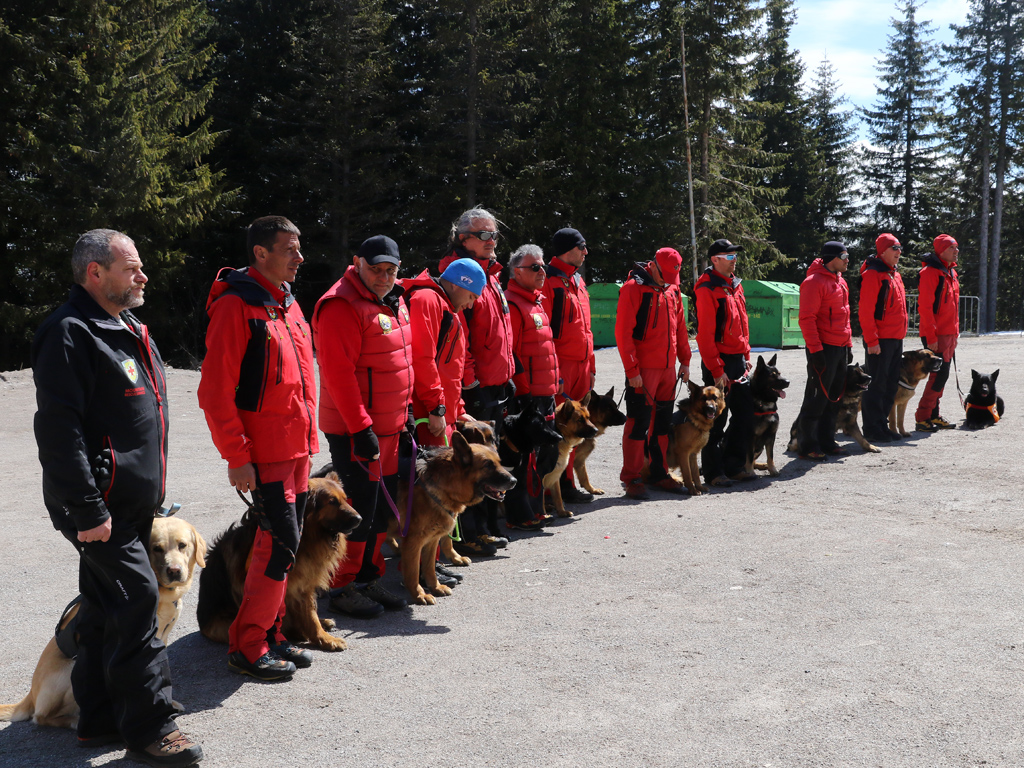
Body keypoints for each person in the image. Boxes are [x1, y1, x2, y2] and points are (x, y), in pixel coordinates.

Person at [32, 229, 203, 765]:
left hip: (131, 503)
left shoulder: (126, 326)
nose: (143, 276)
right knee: (137, 605)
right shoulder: (69, 332)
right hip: (98, 507)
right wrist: (87, 509)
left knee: (106, 610)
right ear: (95, 273)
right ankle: (152, 726)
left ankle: (98, 719)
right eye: (131, 268)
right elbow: (59, 432)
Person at [197, 216, 317, 681]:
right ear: (261, 253)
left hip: (298, 451)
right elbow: (214, 392)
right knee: (276, 548)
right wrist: (237, 455)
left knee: (286, 546)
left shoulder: (285, 302)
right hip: (265, 455)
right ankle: (248, 646)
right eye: (290, 249)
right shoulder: (236, 306)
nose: (300, 257)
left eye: (299, 247)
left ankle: (271, 633)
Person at [313, 235, 414, 618]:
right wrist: (360, 428)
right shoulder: (341, 304)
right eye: (376, 269)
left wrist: (404, 416)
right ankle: (342, 586)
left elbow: (398, 364)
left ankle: (369, 575)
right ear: (357, 262)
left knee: (381, 509)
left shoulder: (392, 299)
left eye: (391, 270)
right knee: (358, 511)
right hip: (358, 430)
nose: (384, 277)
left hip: (389, 427)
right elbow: (339, 375)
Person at [438, 208, 515, 556]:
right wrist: (471, 384)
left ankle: (488, 526)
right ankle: (471, 533)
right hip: (475, 389)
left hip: (497, 383)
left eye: (494, 234)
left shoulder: (494, 276)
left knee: (491, 461)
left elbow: (500, 332)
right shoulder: (458, 276)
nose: (491, 241)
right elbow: (459, 338)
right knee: (472, 465)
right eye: (483, 235)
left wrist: (510, 371)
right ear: (462, 238)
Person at [615, 247, 692, 499]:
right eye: (666, 274)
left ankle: (659, 473)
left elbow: (681, 327)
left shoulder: (672, 289)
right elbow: (623, 333)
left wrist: (685, 360)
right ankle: (632, 477)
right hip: (643, 370)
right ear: (654, 265)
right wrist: (632, 369)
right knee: (638, 423)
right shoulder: (632, 288)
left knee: (662, 424)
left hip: (669, 369)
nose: (669, 280)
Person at [400, 258, 487, 447]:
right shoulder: (427, 299)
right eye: (472, 296)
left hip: (439, 413)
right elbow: (422, 358)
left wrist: (457, 409)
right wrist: (437, 408)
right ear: (458, 284)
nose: (471, 305)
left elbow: (450, 369)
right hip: (429, 414)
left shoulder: (446, 306)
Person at [504, 244, 560, 530]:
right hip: (529, 395)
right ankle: (521, 513)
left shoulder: (536, 301)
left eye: (542, 266)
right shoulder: (512, 303)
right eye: (534, 267)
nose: (541, 272)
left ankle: (536, 508)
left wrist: (555, 380)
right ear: (516, 272)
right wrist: (524, 392)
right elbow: (511, 353)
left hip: (546, 391)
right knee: (526, 459)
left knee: (544, 455)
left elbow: (547, 348)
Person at [539, 227, 597, 503]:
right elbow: (546, 332)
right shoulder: (548, 280)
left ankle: (568, 483)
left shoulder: (577, 281)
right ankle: (553, 486)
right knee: (559, 427)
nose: (586, 252)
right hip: (562, 365)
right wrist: (553, 371)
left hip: (582, 366)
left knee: (576, 428)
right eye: (581, 247)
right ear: (566, 249)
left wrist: (592, 365)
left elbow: (587, 329)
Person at [695, 238, 752, 487]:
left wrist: (746, 355)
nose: (734, 261)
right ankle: (713, 472)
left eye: (735, 257)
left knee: (744, 415)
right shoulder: (706, 288)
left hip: (738, 360)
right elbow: (704, 336)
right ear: (714, 260)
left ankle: (734, 466)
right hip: (718, 363)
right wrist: (717, 369)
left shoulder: (735, 285)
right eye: (729, 257)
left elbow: (743, 323)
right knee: (716, 418)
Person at [795, 240, 853, 460]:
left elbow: (845, 317)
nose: (848, 260)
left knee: (834, 397)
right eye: (844, 256)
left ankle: (827, 440)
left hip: (840, 347)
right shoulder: (813, 282)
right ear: (832, 258)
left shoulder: (841, 282)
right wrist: (816, 350)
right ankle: (808, 444)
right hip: (823, 348)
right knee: (817, 397)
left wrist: (848, 346)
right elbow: (806, 319)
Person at [859, 233, 908, 443]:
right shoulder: (873, 274)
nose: (898, 252)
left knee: (889, 385)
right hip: (880, 341)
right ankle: (871, 428)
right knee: (876, 385)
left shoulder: (893, 274)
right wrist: (872, 340)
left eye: (899, 248)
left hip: (895, 339)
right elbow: (865, 311)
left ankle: (882, 425)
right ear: (882, 251)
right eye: (894, 248)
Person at [914, 234, 961, 431]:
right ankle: (922, 417)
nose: (956, 251)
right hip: (936, 334)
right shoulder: (930, 273)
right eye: (952, 248)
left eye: (956, 247)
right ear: (941, 250)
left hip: (949, 334)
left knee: (943, 375)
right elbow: (925, 308)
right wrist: (931, 336)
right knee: (936, 376)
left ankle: (933, 415)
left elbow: (952, 306)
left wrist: (955, 334)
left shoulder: (950, 273)